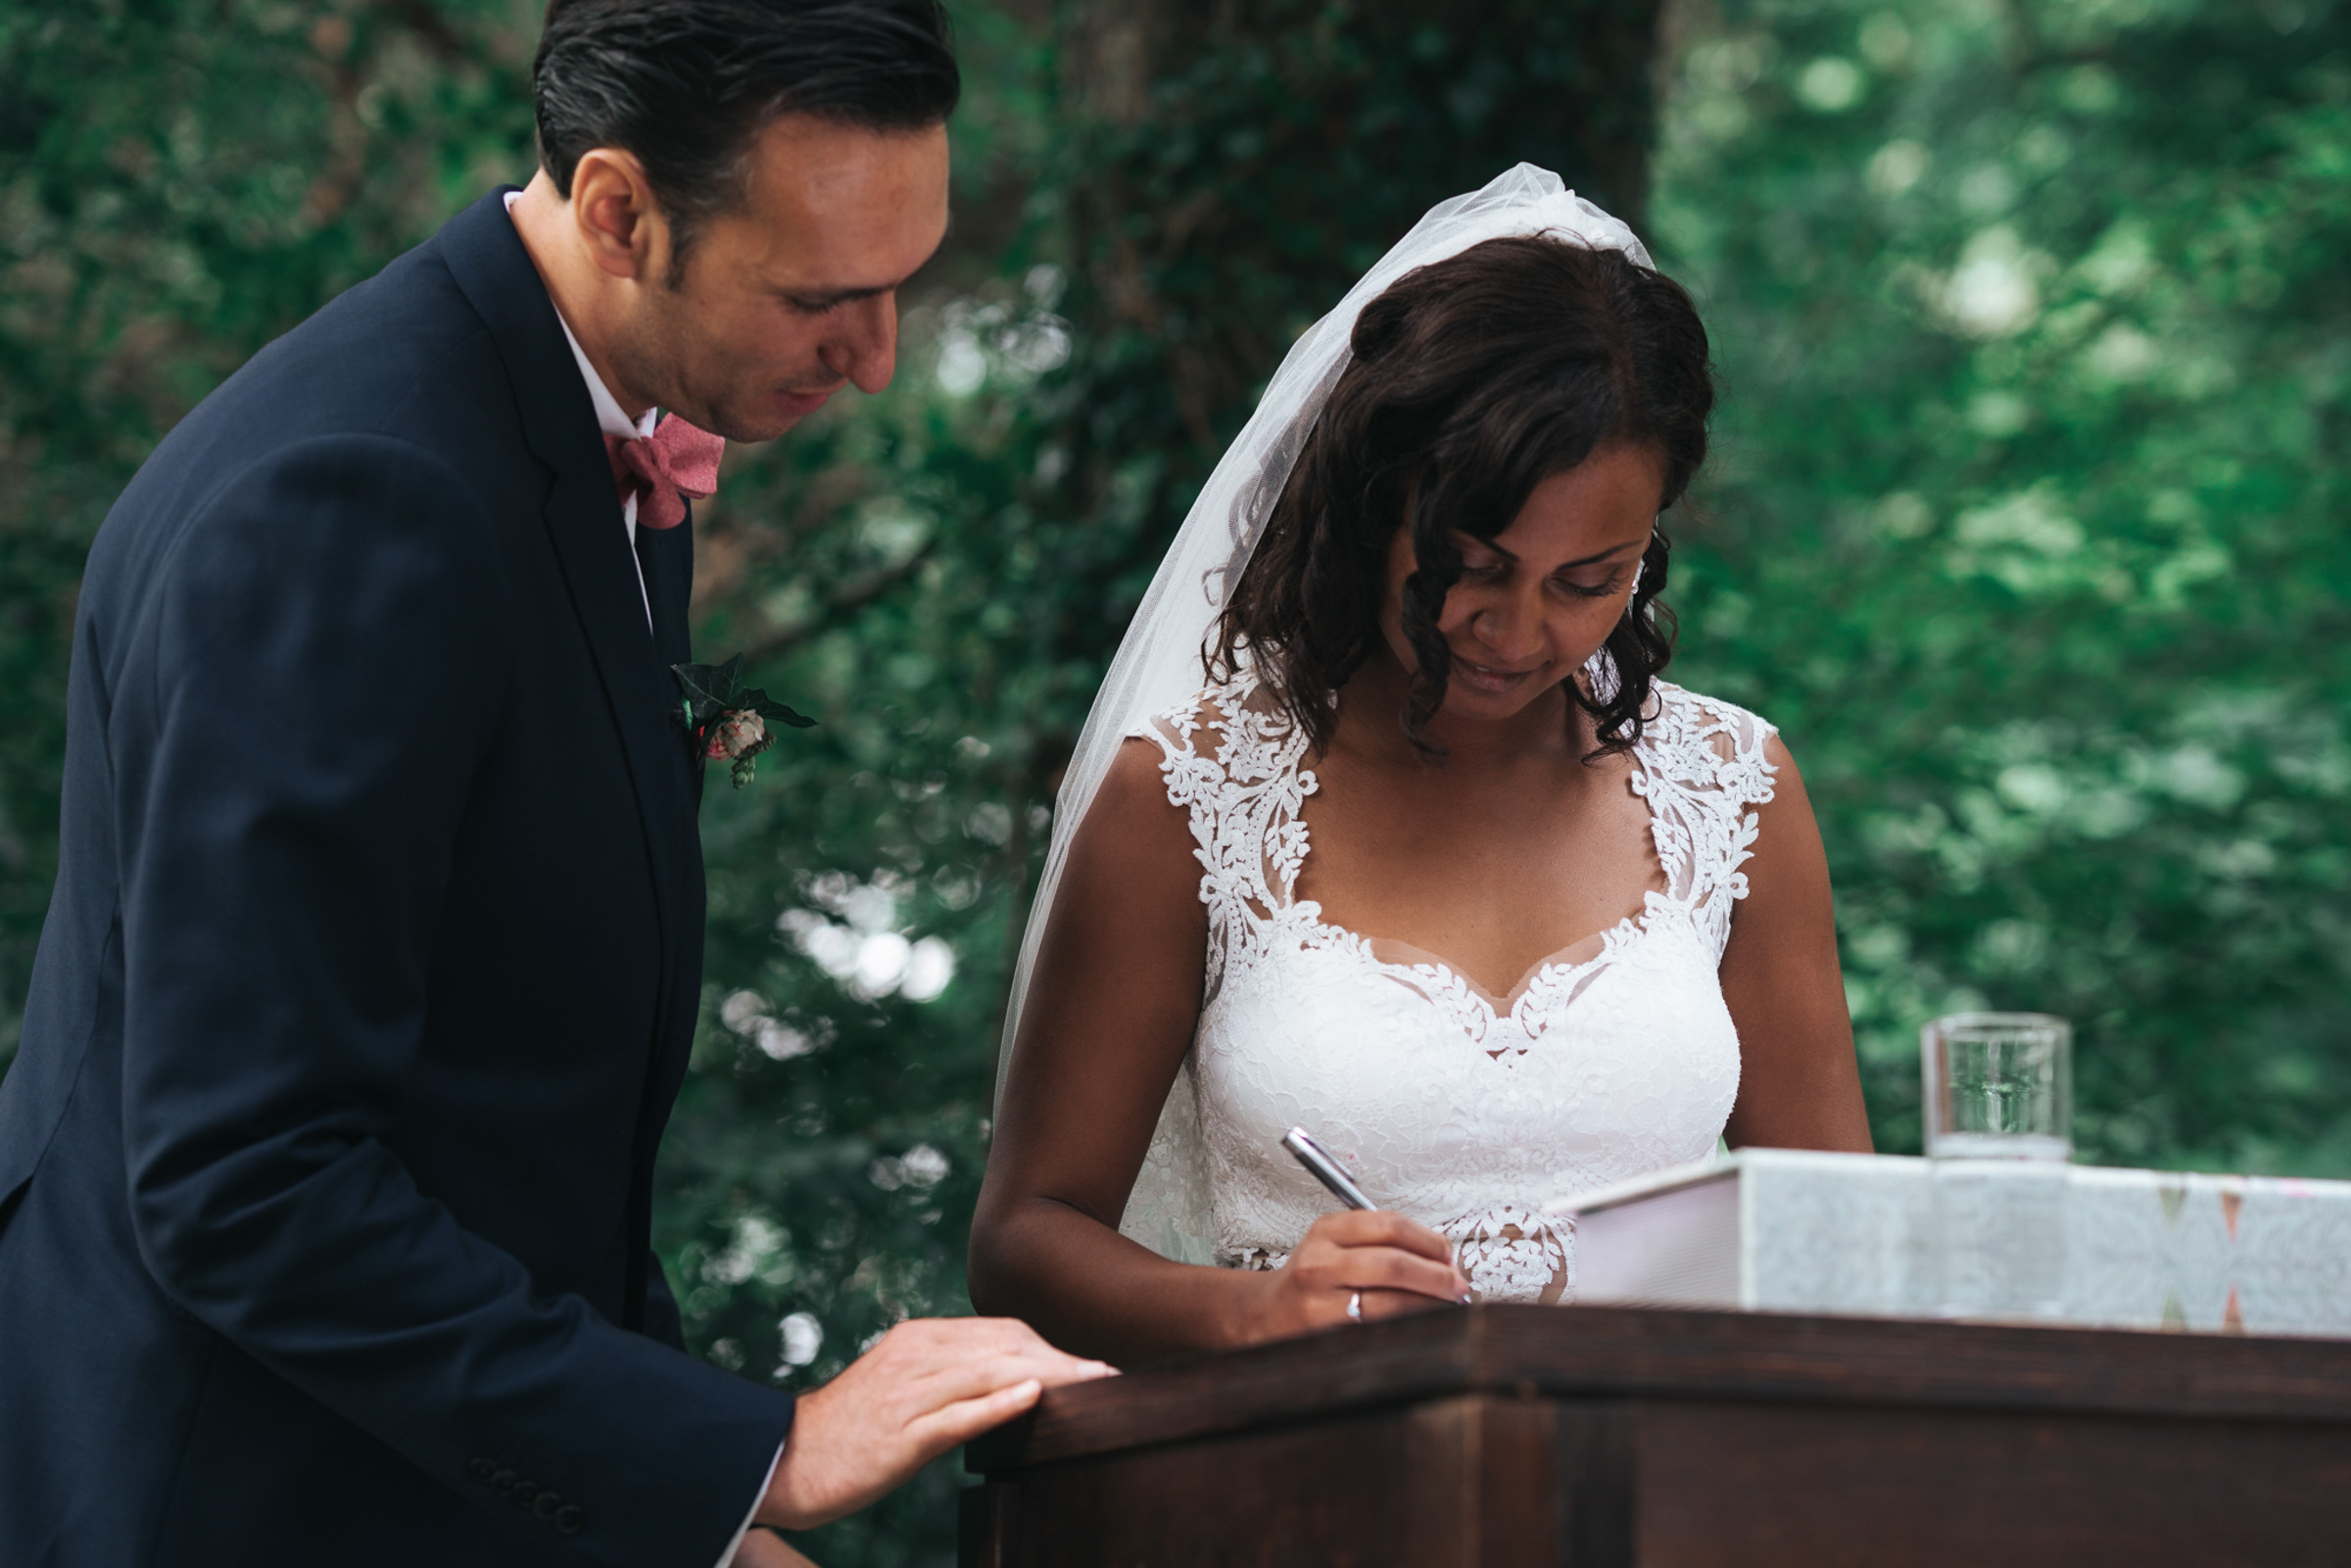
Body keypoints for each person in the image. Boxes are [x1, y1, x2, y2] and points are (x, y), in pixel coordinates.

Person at [0, 4, 1107, 1566]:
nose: (875, 360)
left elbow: (519, 1136)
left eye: (901, 285)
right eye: (820, 299)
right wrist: (764, 1452)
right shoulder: (353, 502)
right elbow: (245, 1181)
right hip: (228, 1500)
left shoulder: (590, 438)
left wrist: (686, 1516)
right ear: (619, 210)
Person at [969, 168, 1874, 1366]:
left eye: (1588, 580)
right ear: (1373, 508)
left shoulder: (1733, 787)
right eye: (1471, 566)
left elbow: (1838, 1241)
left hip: (1660, 1461)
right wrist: (1257, 1312)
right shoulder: (1189, 795)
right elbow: (1027, 1236)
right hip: (1311, 1456)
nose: (1516, 630)